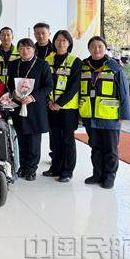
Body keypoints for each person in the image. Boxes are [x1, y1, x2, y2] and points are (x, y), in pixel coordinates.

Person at [80, 36, 130, 189]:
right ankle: (97, 174)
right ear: (89, 49)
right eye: (93, 46)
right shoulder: (83, 66)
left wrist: (124, 114)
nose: (96, 49)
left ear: (105, 48)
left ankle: (109, 176)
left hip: (110, 116)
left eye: (100, 46)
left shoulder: (114, 66)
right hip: (90, 116)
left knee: (110, 149)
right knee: (95, 147)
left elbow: (124, 91)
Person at [7, 38, 53, 181]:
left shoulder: (42, 64)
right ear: (18, 50)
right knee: (21, 139)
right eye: (21, 48)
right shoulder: (14, 64)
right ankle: (22, 166)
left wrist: (32, 97)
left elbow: (48, 86)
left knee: (33, 141)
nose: (25, 51)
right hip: (19, 105)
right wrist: (14, 93)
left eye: (28, 48)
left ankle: (31, 169)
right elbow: (10, 83)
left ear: (34, 49)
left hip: (35, 107)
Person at [43, 30, 81, 183]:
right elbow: (43, 82)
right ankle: (55, 167)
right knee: (55, 139)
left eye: (64, 40)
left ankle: (67, 171)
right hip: (50, 107)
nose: (61, 43)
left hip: (67, 109)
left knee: (67, 140)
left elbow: (74, 86)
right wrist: (48, 102)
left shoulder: (75, 61)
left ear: (69, 43)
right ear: (54, 42)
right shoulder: (47, 60)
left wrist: (59, 103)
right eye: (58, 40)